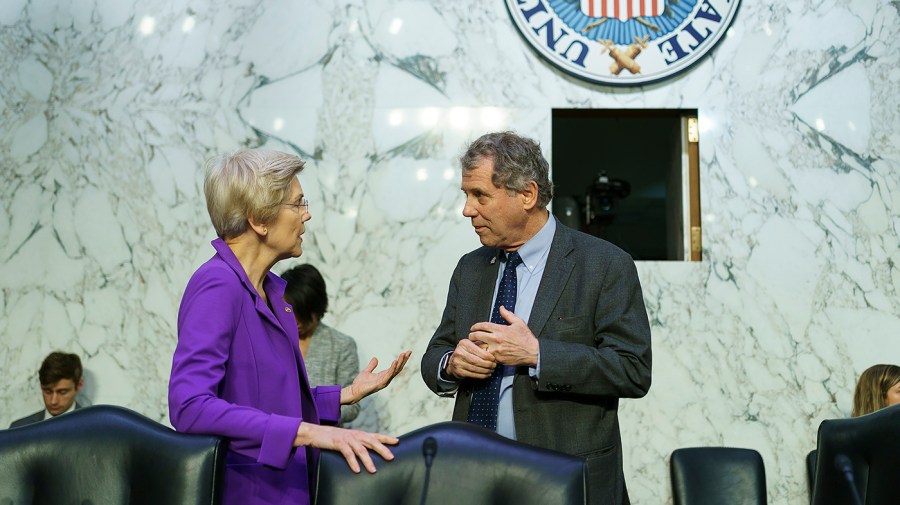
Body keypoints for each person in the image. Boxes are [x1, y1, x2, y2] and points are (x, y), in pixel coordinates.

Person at [168, 149, 411, 505]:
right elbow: (189, 406)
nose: (306, 215)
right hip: (248, 493)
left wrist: (343, 395)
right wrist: (309, 433)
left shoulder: (270, 291)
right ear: (259, 220)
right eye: (297, 204)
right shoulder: (218, 285)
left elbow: (262, 400)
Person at [420, 131, 652, 505]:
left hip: (565, 479)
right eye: (466, 195)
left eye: (480, 195)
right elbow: (436, 355)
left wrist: (538, 354)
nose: (467, 210)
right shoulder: (470, 268)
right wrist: (452, 363)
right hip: (470, 477)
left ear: (526, 195)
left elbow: (632, 369)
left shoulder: (605, 265)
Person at [282, 264, 360, 426]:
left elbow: (352, 407)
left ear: (316, 308)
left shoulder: (341, 345)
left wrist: (311, 412)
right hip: (279, 438)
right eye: (289, 311)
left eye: (302, 313)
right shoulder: (271, 339)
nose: (295, 320)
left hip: (325, 444)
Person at [10, 351, 85, 428]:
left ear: (79, 385)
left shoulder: (95, 427)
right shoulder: (18, 429)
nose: (53, 401)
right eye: (48, 391)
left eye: (62, 392)